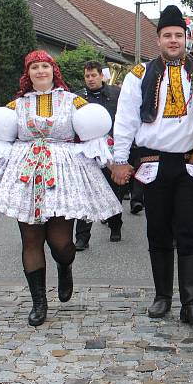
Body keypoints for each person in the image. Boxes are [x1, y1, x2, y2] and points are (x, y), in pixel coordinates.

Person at [0, 50, 122, 326]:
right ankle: (39, 302)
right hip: (25, 177)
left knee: (61, 243)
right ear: (28, 74)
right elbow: (0, 145)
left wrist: (114, 168)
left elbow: (92, 138)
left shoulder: (73, 101)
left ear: (54, 71)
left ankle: (65, 265)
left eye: (45, 66)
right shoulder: (16, 106)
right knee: (31, 240)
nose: (40, 71)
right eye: (35, 67)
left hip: (64, 177)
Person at [111, 5, 193, 326]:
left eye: (178, 35)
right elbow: (125, 120)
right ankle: (162, 297)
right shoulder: (138, 75)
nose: (173, 40)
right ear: (158, 39)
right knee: (157, 230)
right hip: (153, 163)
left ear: (186, 39)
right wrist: (119, 161)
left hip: (191, 163)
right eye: (167, 35)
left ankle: (191, 301)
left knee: (190, 231)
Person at [74, 61, 125, 247]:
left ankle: (115, 225)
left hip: (110, 149)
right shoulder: (77, 97)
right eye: (87, 76)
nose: (90, 79)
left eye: (93, 75)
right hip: (86, 151)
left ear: (101, 75)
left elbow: (124, 118)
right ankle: (82, 237)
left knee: (113, 189)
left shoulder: (116, 94)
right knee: (85, 193)